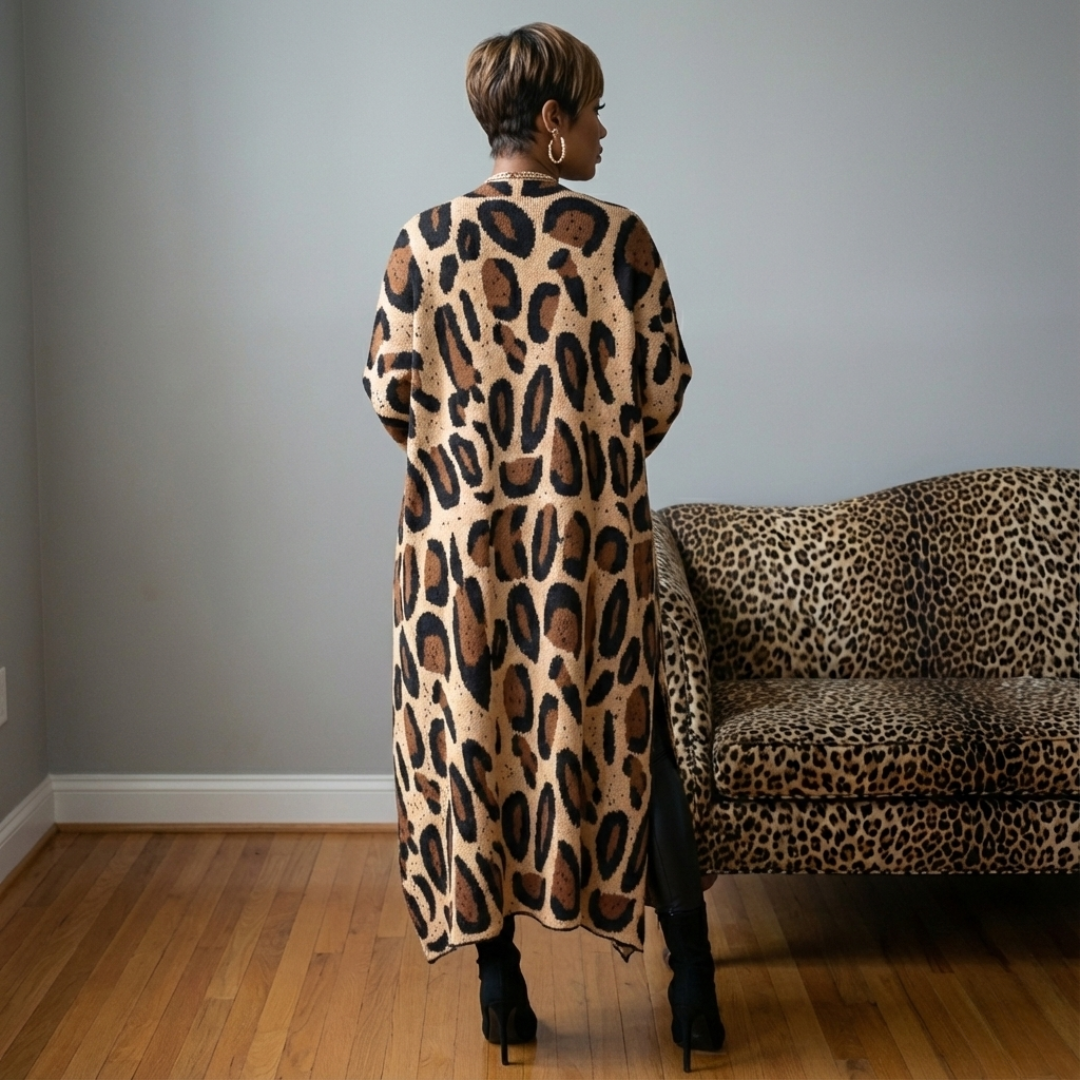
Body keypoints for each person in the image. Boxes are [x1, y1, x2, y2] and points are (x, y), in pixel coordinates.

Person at [364, 22, 724, 1071]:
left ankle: (500, 989)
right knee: (632, 747)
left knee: (475, 748)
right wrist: (583, 463)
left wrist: (470, 465)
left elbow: (390, 395)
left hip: (456, 562)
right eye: (597, 111)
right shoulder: (619, 241)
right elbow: (662, 391)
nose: (607, 133)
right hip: (588, 558)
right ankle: (693, 988)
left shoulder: (421, 241)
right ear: (554, 124)